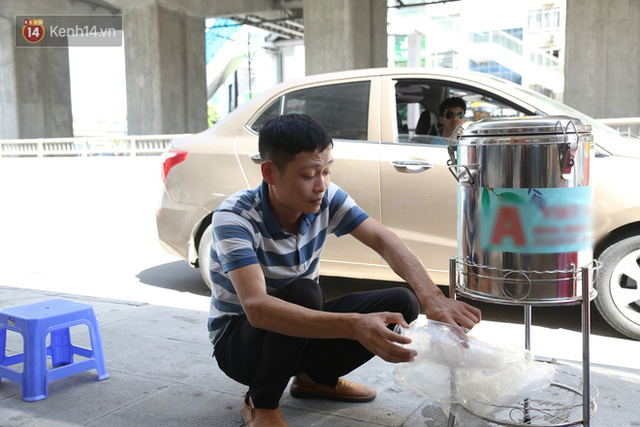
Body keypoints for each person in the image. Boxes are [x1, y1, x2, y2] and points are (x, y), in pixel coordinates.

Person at [207, 113, 481, 427]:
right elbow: (257, 308)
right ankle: (261, 401)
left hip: (296, 330)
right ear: (270, 172)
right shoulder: (234, 217)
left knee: (402, 302)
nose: (321, 185)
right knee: (305, 292)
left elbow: (383, 239)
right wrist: (353, 325)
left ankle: (315, 380)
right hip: (240, 345)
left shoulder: (326, 198)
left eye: (326, 170)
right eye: (309, 174)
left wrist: (431, 296)